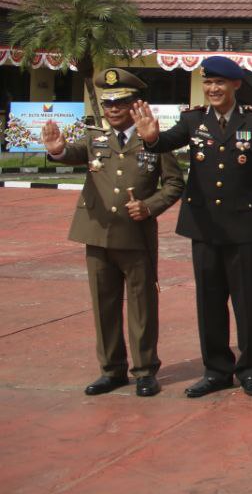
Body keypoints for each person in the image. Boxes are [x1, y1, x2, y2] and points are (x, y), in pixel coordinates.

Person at [134, 56, 252, 398]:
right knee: (209, 302)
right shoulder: (193, 120)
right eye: (208, 83)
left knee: (248, 303)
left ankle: (250, 369)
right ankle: (216, 369)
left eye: (220, 83)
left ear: (235, 85)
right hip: (204, 228)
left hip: (245, 229)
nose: (213, 89)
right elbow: (166, 141)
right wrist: (152, 139)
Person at [42, 68, 183, 397]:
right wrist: (58, 150)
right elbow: (71, 153)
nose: (113, 110)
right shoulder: (95, 139)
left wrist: (149, 206)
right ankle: (112, 369)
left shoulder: (154, 140)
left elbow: (174, 184)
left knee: (142, 304)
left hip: (136, 238)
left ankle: (145, 370)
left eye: (121, 103)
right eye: (108, 104)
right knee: (103, 305)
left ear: (136, 105)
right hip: (97, 233)